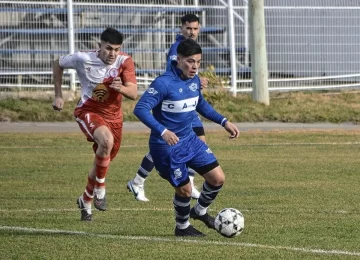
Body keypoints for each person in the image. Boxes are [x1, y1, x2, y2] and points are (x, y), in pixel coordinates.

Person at [133, 39, 240, 236]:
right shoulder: (163, 83)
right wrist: (163, 131)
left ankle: (199, 211)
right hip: (166, 147)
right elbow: (140, 109)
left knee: (217, 179)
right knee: (185, 190)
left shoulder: (194, 81)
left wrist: (224, 121)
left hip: (189, 140)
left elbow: (201, 105)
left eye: (198, 62)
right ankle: (182, 227)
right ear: (179, 59)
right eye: (190, 61)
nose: (195, 67)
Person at [52, 27, 138, 221]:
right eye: (108, 48)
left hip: (114, 118)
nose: (112, 54)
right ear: (99, 46)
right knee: (105, 142)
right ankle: (100, 187)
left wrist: (121, 88)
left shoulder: (125, 61)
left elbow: (133, 93)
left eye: (116, 49)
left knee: (103, 158)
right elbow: (58, 63)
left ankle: (86, 199)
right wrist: (58, 95)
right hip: (88, 110)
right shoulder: (83, 58)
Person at [127, 13, 208, 201]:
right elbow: (174, 72)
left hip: (187, 103)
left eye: (195, 28)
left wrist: (196, 81)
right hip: (174, 103)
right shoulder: (177, 47)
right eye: (188, 28)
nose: (192, 32)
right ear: (181, 28)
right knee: (167, 146)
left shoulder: (192, 47)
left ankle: (188, 182)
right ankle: (138, 180)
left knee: (197, 143)